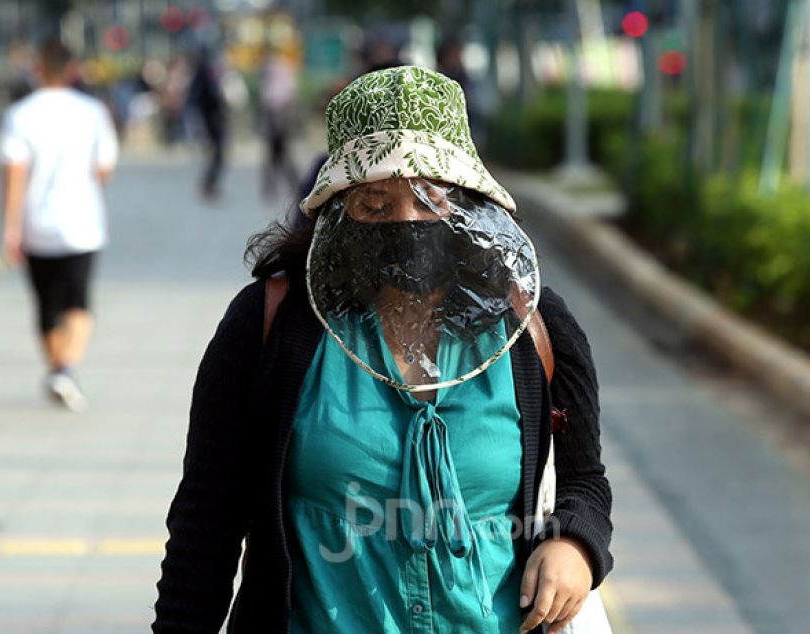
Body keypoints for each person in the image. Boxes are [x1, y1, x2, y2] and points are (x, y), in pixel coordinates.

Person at [153, 66, 613, 633]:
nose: (407, 220)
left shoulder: (534, 324)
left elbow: (585, 481)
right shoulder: (269, 326)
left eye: (429, 197)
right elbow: (207, 519)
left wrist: (575, 544)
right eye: (375, 202)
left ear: (469, 203)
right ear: (338, 210)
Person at [0, 39, 118, 412]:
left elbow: (14, 174)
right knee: (78, 302)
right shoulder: (92, 112)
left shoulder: (20, 114)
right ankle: (64, 370)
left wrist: (10, 227)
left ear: (38, 69)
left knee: (45, 304)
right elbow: (103, 169)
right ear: (71, 69)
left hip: (36, 224)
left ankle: (59, 369)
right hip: (82, 222)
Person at [258, 47, 300, 200]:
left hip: (278, 115)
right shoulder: (280, 69)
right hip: (278, 115)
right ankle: (283, 185)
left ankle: (274, 187)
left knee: (278, 154)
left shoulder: (276, 70)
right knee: (278, 154)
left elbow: (276, 97)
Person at [188, 47, 228, 201]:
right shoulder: (206, 71)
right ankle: (208, 184)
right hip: (211, 118)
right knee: (217, 154)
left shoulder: (202, 72)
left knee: (216, 154)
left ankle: (209, 184)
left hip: (209, 117)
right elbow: (210, 94)